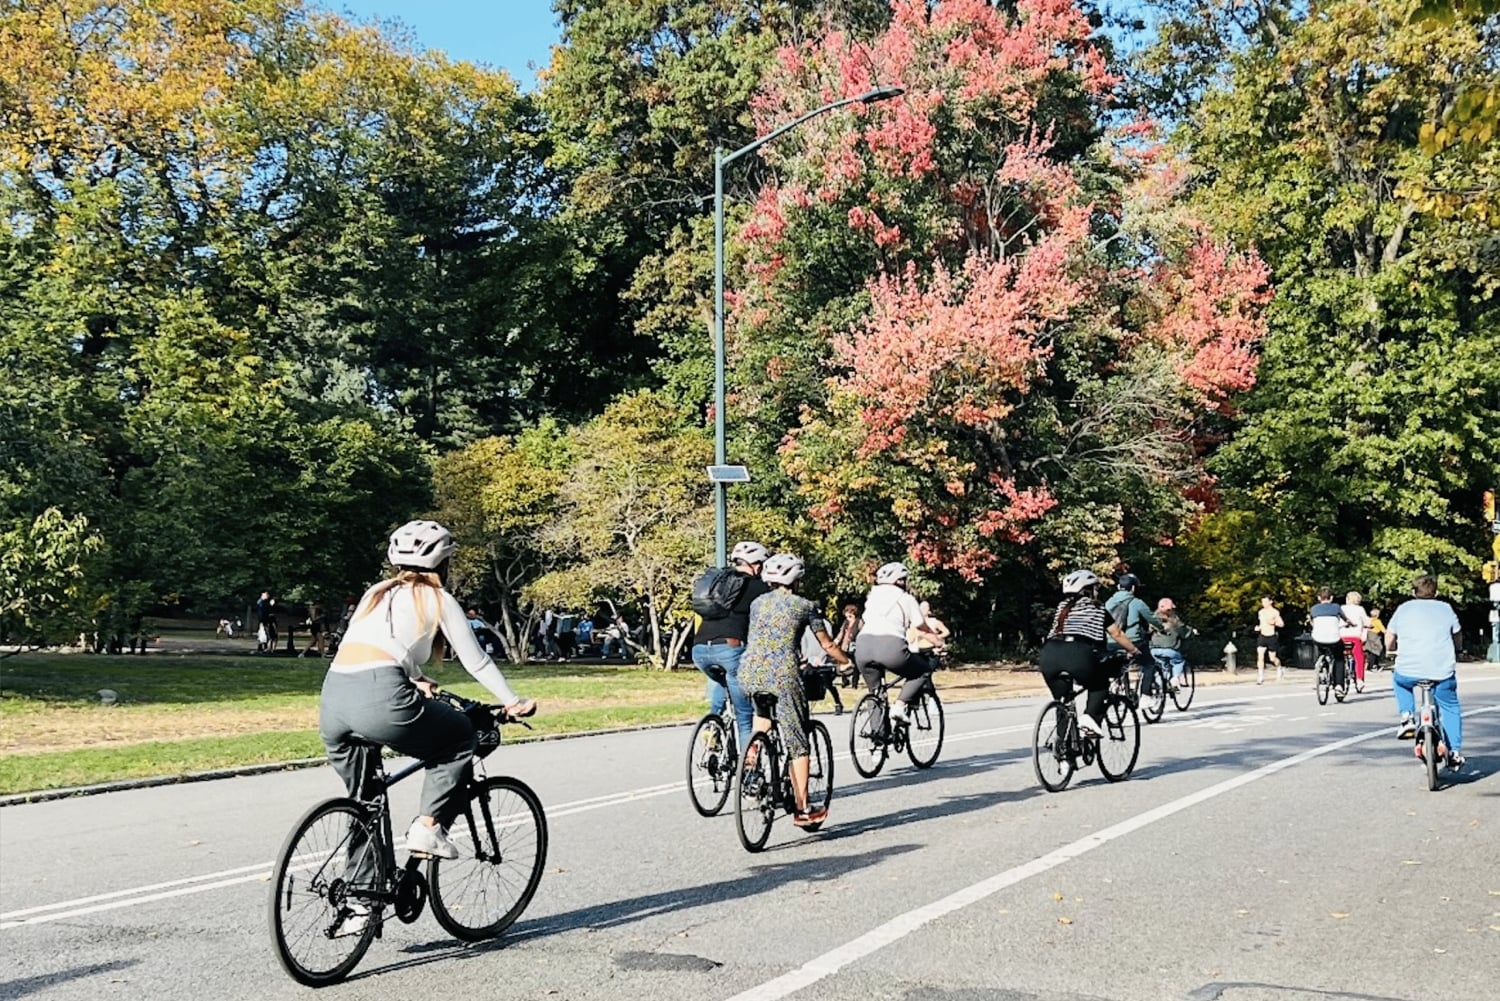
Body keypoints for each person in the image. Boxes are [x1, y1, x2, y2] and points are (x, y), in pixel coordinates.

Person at [319, 520, 537, 887]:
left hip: (334, 698)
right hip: (382, 697)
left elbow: (375, 645)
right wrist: (512, 701)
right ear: (443, 564)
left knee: (365, 801)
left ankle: (360, 897)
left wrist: (415, 676)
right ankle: (427, 827)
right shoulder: (438, 599)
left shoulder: (376, 592)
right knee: (460, 736)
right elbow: (477, 661)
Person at [740, 553, 852, 826]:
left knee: (762, 715)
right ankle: (803, 809)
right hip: (783, 675)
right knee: (798, 743)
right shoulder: (804, 606)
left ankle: (752, 757)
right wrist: (846, 662)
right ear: (796, 579)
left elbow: (768, 637)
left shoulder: (757, 603)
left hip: (749, 671)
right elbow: (826, 644)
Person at [1040, 570, 1153, 735]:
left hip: (1049, 655)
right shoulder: (1097, 608)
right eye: (1095, 588)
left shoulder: (1062, 607)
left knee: (1064, 701)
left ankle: (1065, 752)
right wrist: (1134, 650)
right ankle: (1090, 718)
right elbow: (1117, 634)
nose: (1097, 591)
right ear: (1088, 590)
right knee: (1100, 684)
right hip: (1077, 654)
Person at [690, 541, 770, 752]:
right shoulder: (758, 587)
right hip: (730, 649)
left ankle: (713, 724)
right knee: (745, 718)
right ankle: (750, 773)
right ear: (757, 565)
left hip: (699, 649)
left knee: (723, 681)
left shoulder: (718, 582)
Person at [1386, 575, 1464, 769]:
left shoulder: (1403, 609)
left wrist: (1389, 649)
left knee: (1399, 681)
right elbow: (1457, 634)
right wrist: (1458, 648)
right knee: (1450, 707)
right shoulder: (1446, 608)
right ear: (1436, 593)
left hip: (1408, 669)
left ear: (1413, 593)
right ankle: (1454, 752)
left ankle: (1407, 717)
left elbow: (1389, 635)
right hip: (1442, 671)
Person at [853, 562, 940, 723]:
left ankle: (878, 738)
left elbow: (862, 623)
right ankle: (899, 706)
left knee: (875, 691)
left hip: (863, 646)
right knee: (922, 671)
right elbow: (921, 626)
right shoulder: (906, 598)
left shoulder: (872, 598)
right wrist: (938, 642)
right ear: (900, 581)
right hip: (890, 646)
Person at [1147, 598, 1195, 690]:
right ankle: (1175, 679)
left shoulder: (1153, 620)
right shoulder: (1175, 621)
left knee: (1162, 666)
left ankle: (1159, 685)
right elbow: (1185, 633)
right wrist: (1192, 632)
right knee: (1179, 662)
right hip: (1170, 650)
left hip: (1154, 650)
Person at [1308, 588, 1351, 689]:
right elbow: (1346, 619)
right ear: (1331, 598)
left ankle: (1320, 666)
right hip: (1334, 639)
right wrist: (1350, 623)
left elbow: (1311, 621)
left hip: (1318, 638)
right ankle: (1339, 685)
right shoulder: (1336, 607)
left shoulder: (1314, 608)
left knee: (1319, 647)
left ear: (1319, 598)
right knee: (1339, 658)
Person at [1340, 591, 1371, 686]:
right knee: (1359, 657)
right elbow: (1366, 622)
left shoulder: (1341, 608)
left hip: (1341, 636)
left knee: (1339, 657)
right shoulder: (1360, 609)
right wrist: (1369, 625)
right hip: (1355, 637)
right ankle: (1359, 679)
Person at [1255, 596, 1285, 683]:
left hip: (1271, 636)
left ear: (1270, 602)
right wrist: (1258, 628)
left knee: (1272, 658)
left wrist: (1274, 623)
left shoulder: (1275, 612)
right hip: (1262, 636)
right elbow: (1261, 624)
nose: (1263, 604)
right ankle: (1260, 676)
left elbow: (1281, 624)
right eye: (1262, 602)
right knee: (1260, 656)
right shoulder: (1261, 612)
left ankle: (1279, 668)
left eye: (1265, 602)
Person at [833, 603, 862, 688]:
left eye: (848, 612)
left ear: (853, 613)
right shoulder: (845, 623)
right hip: (844, 646)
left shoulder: (859, 622)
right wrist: (835, 641)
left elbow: (862, 633)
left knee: (856, 665)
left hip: (855, 646)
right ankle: (844, 680)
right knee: (843, 662)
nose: (847, 615)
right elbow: (841, 633)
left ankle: (854, 683)